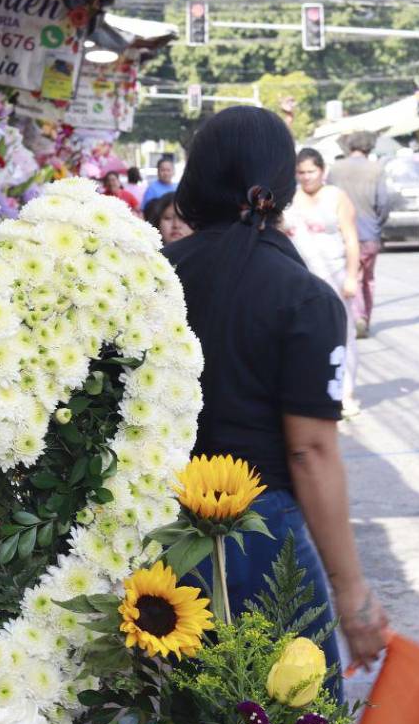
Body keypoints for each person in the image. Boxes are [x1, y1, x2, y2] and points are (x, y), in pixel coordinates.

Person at [164, 106, 391, 682]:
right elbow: (309, 453)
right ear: (284, 183)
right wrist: (353, 593)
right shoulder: (305, 297)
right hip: (262, 541)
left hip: (160, 531)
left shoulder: (155, 277)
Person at [286, 147, 362, 417]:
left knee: (344, 334)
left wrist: (352, 276)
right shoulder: (290, 200)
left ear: (322, 171)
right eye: (301, 172)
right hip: (300, 280)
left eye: (311, 171)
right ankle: (311, 393)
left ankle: (346, 393)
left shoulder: (337, 198)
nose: (306, 177)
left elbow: (352, 240)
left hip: (337, 275)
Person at [327, 131, 388, 338]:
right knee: (366, 279)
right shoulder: (376, 170)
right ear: (370, 146)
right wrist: (377, 226)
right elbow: (383, 204)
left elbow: (328, 200)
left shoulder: (335, 170)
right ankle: (363, 317)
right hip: (369, 233)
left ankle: (353, 317)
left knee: (348, 276)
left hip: (341, 233)